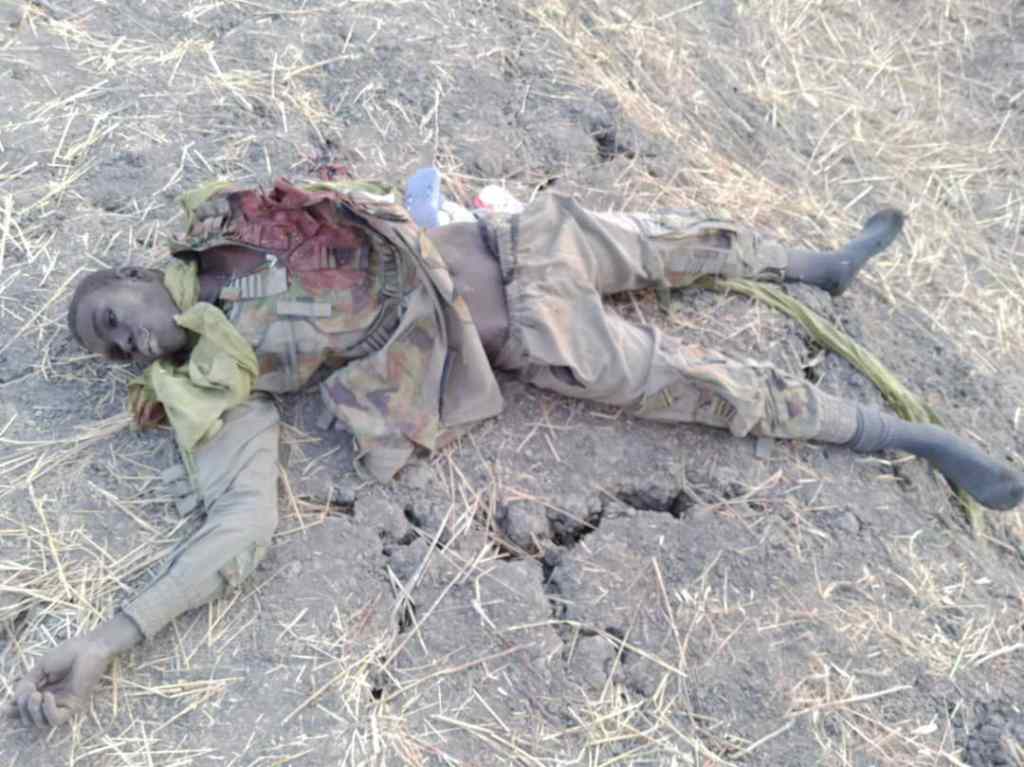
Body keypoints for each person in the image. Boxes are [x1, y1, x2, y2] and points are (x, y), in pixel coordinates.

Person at [7, 175, 1023, 729]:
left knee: (673, 241)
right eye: (110, 352)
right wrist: (111, 637)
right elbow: (239, 526)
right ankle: (912, 436)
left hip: (520, 241)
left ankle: (815, 265)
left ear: (135, 273)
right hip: (539, 337)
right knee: (715, 391)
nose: (121, 342)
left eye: (109, 317)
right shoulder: (213, 385)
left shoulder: (228, 221)